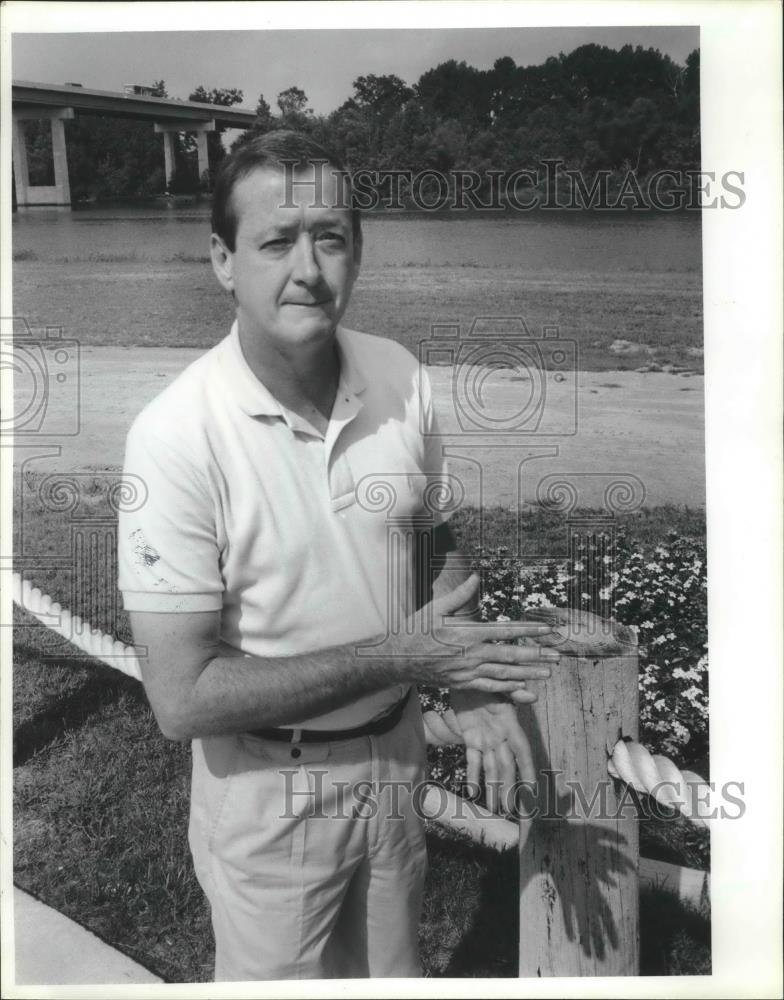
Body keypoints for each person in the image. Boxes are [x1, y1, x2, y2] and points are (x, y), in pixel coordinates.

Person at [118, 130, 559, 981]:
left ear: (358, 251)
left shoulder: (400, 376)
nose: (308, 268)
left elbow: (430, 538)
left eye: (329, 236)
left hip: (395, 760)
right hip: (264, 789)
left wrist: (465, 687)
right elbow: (181, 697)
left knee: (393, 979)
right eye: (277, 240)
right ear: (222, 259)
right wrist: (404, 655)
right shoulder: (175, 438)